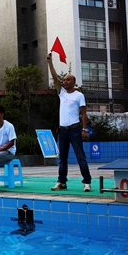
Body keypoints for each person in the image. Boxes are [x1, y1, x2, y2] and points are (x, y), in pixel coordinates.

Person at [47, 51, 92, 192]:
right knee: (63, 158)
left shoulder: (79, 95)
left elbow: (83, 113)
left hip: (75, 129)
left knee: (80, 157)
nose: (65, 82)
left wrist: (84, 129)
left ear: (73, 82)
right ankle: (62, 182)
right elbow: (55, 77)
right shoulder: (62, 93)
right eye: (64, 80)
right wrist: (50, 62)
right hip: (63, 131)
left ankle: (87, 182)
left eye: (68, 80)